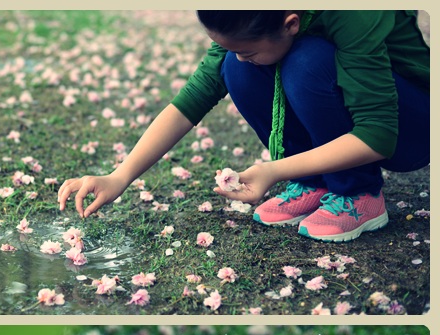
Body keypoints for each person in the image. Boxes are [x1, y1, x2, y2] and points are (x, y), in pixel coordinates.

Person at [58, 10, 429, 242]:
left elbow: (378, 134)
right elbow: (194, 97)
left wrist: (273, 170)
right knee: (234, 69)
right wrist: (119, 176)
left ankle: (358, 193)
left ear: (290, 22)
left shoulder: (355, 14)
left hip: (412, 124)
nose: (239, 54)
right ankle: (315, 184)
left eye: (247, 47)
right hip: (363, 114)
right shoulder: (252, 16)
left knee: (307, 61)